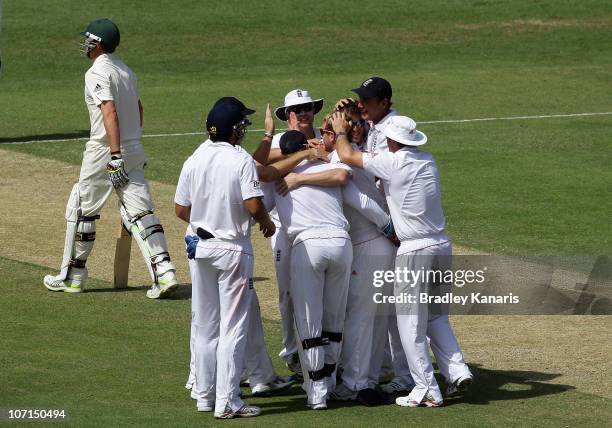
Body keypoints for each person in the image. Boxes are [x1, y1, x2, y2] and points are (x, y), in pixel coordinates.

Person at [332, 112, 473, 408]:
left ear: (393, 141)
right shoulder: (427, 160)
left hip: (414, 250)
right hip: (442, 246)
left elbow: (345, 155)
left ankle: (427, 389)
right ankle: (458, 371)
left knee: (410, 323)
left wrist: (341, 132)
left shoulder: (393, 163)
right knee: (436, 317)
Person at [43, 18, 178, 298]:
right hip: (132, 148)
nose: (85, 44)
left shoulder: (96, 73)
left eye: (88, 39)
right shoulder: (127, 71)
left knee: (82, 209)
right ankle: (165, 274)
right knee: (142, 212)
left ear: (98, 43)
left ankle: (72, 277)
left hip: (105, 150)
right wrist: (132, 148)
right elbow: (139, 110)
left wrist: (115, 155)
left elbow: (110, 112)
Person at [174, 97, 275, 419]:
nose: (245, 129)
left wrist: (205, 220)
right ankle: (228, 401)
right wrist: (266, 222)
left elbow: (180, 210)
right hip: (232, 249)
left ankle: (204, 397)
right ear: (235, 130)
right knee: (233, 328)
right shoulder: (239, 159)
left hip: (201, 248)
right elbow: (254, 205)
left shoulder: (194, 158)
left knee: (205, 325)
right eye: (243, 124)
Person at [263, 88, 325, 378]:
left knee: (324, 293)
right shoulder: (278, 141)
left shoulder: (325, 139)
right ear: (286, 115)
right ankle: (292, 353)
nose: (303, 113)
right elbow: (263, 161)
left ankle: (322, 350)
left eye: (307, 108)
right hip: (284, 229)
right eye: (296, 109)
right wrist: (301, 150)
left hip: (322, 226)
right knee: (288, 292)